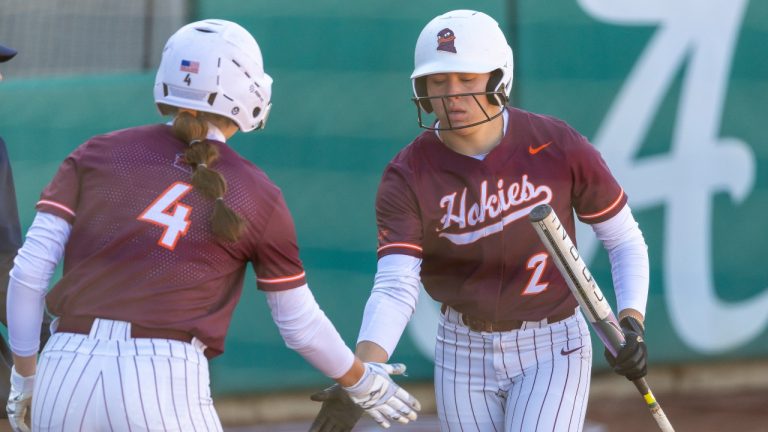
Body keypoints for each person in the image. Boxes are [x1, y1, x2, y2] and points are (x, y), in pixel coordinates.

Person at [5, 19, 420, 431]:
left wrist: (25, 378)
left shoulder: (95, 152)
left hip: (65, 366)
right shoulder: (257, 192)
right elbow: (299, 325)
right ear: (248, 90)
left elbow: (27, 275)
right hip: (163, 376)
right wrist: (362, 381)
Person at [310, 10, 649, 432]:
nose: (452, 94)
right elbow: (396, 284)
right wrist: (363, 374)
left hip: (553, 342)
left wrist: (631, 321)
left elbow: (623, 239)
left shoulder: (558, 144)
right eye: (438, 81)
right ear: (422, 89)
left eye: (467, 79)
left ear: (498, 79)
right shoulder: (407, 173)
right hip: (461, 347)